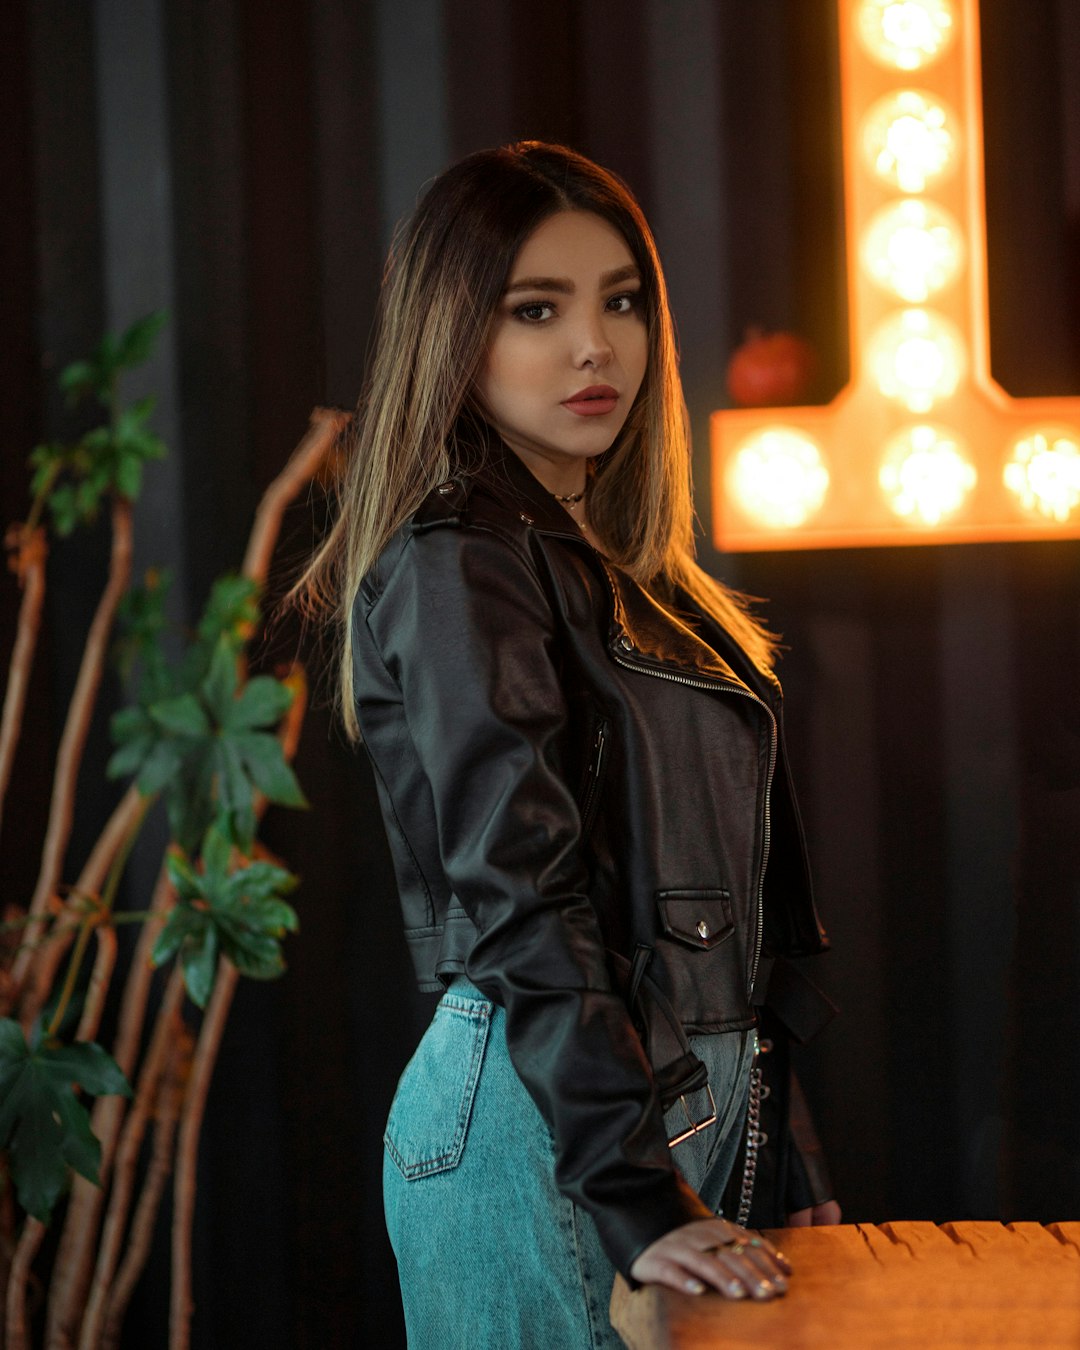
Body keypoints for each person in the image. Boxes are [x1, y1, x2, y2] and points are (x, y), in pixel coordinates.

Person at [298, 141, 832, 1348]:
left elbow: (749, 917)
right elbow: (520, 887)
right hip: (545, 1117)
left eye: (622, 301)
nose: (597, 346)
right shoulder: (456, 564)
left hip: (673, 1107)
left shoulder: (647, 585)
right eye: (536, 309)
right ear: (455, 332)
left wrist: (783, 1148)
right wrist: (634, 1187)